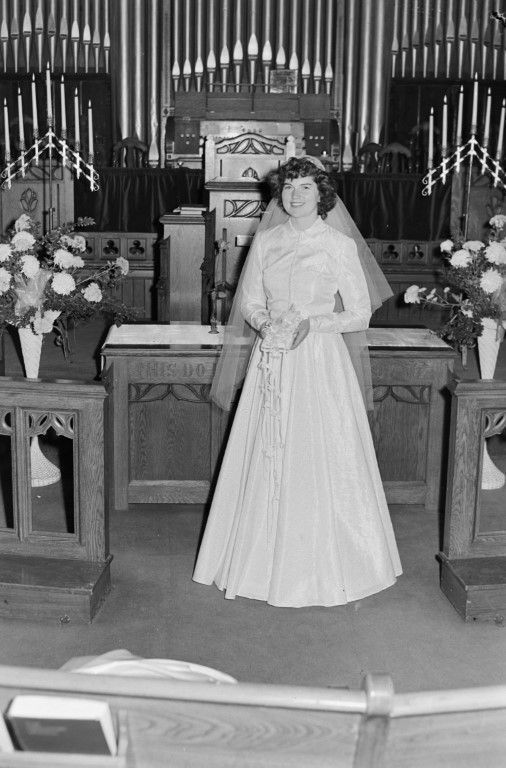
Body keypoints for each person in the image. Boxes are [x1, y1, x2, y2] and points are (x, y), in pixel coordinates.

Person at [193, 156, 402, 608]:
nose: (295, 196)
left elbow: (360, 313)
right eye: (288, 188)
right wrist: (265, 321)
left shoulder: (338, 245)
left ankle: (326, 565)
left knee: (318, 451)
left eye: (305, 187)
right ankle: (256, 560)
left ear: (321, 194)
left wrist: (314, 324)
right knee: (266, 447)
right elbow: (249, 300)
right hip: (272, 358)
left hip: (319, 361)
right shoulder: (266, 241)